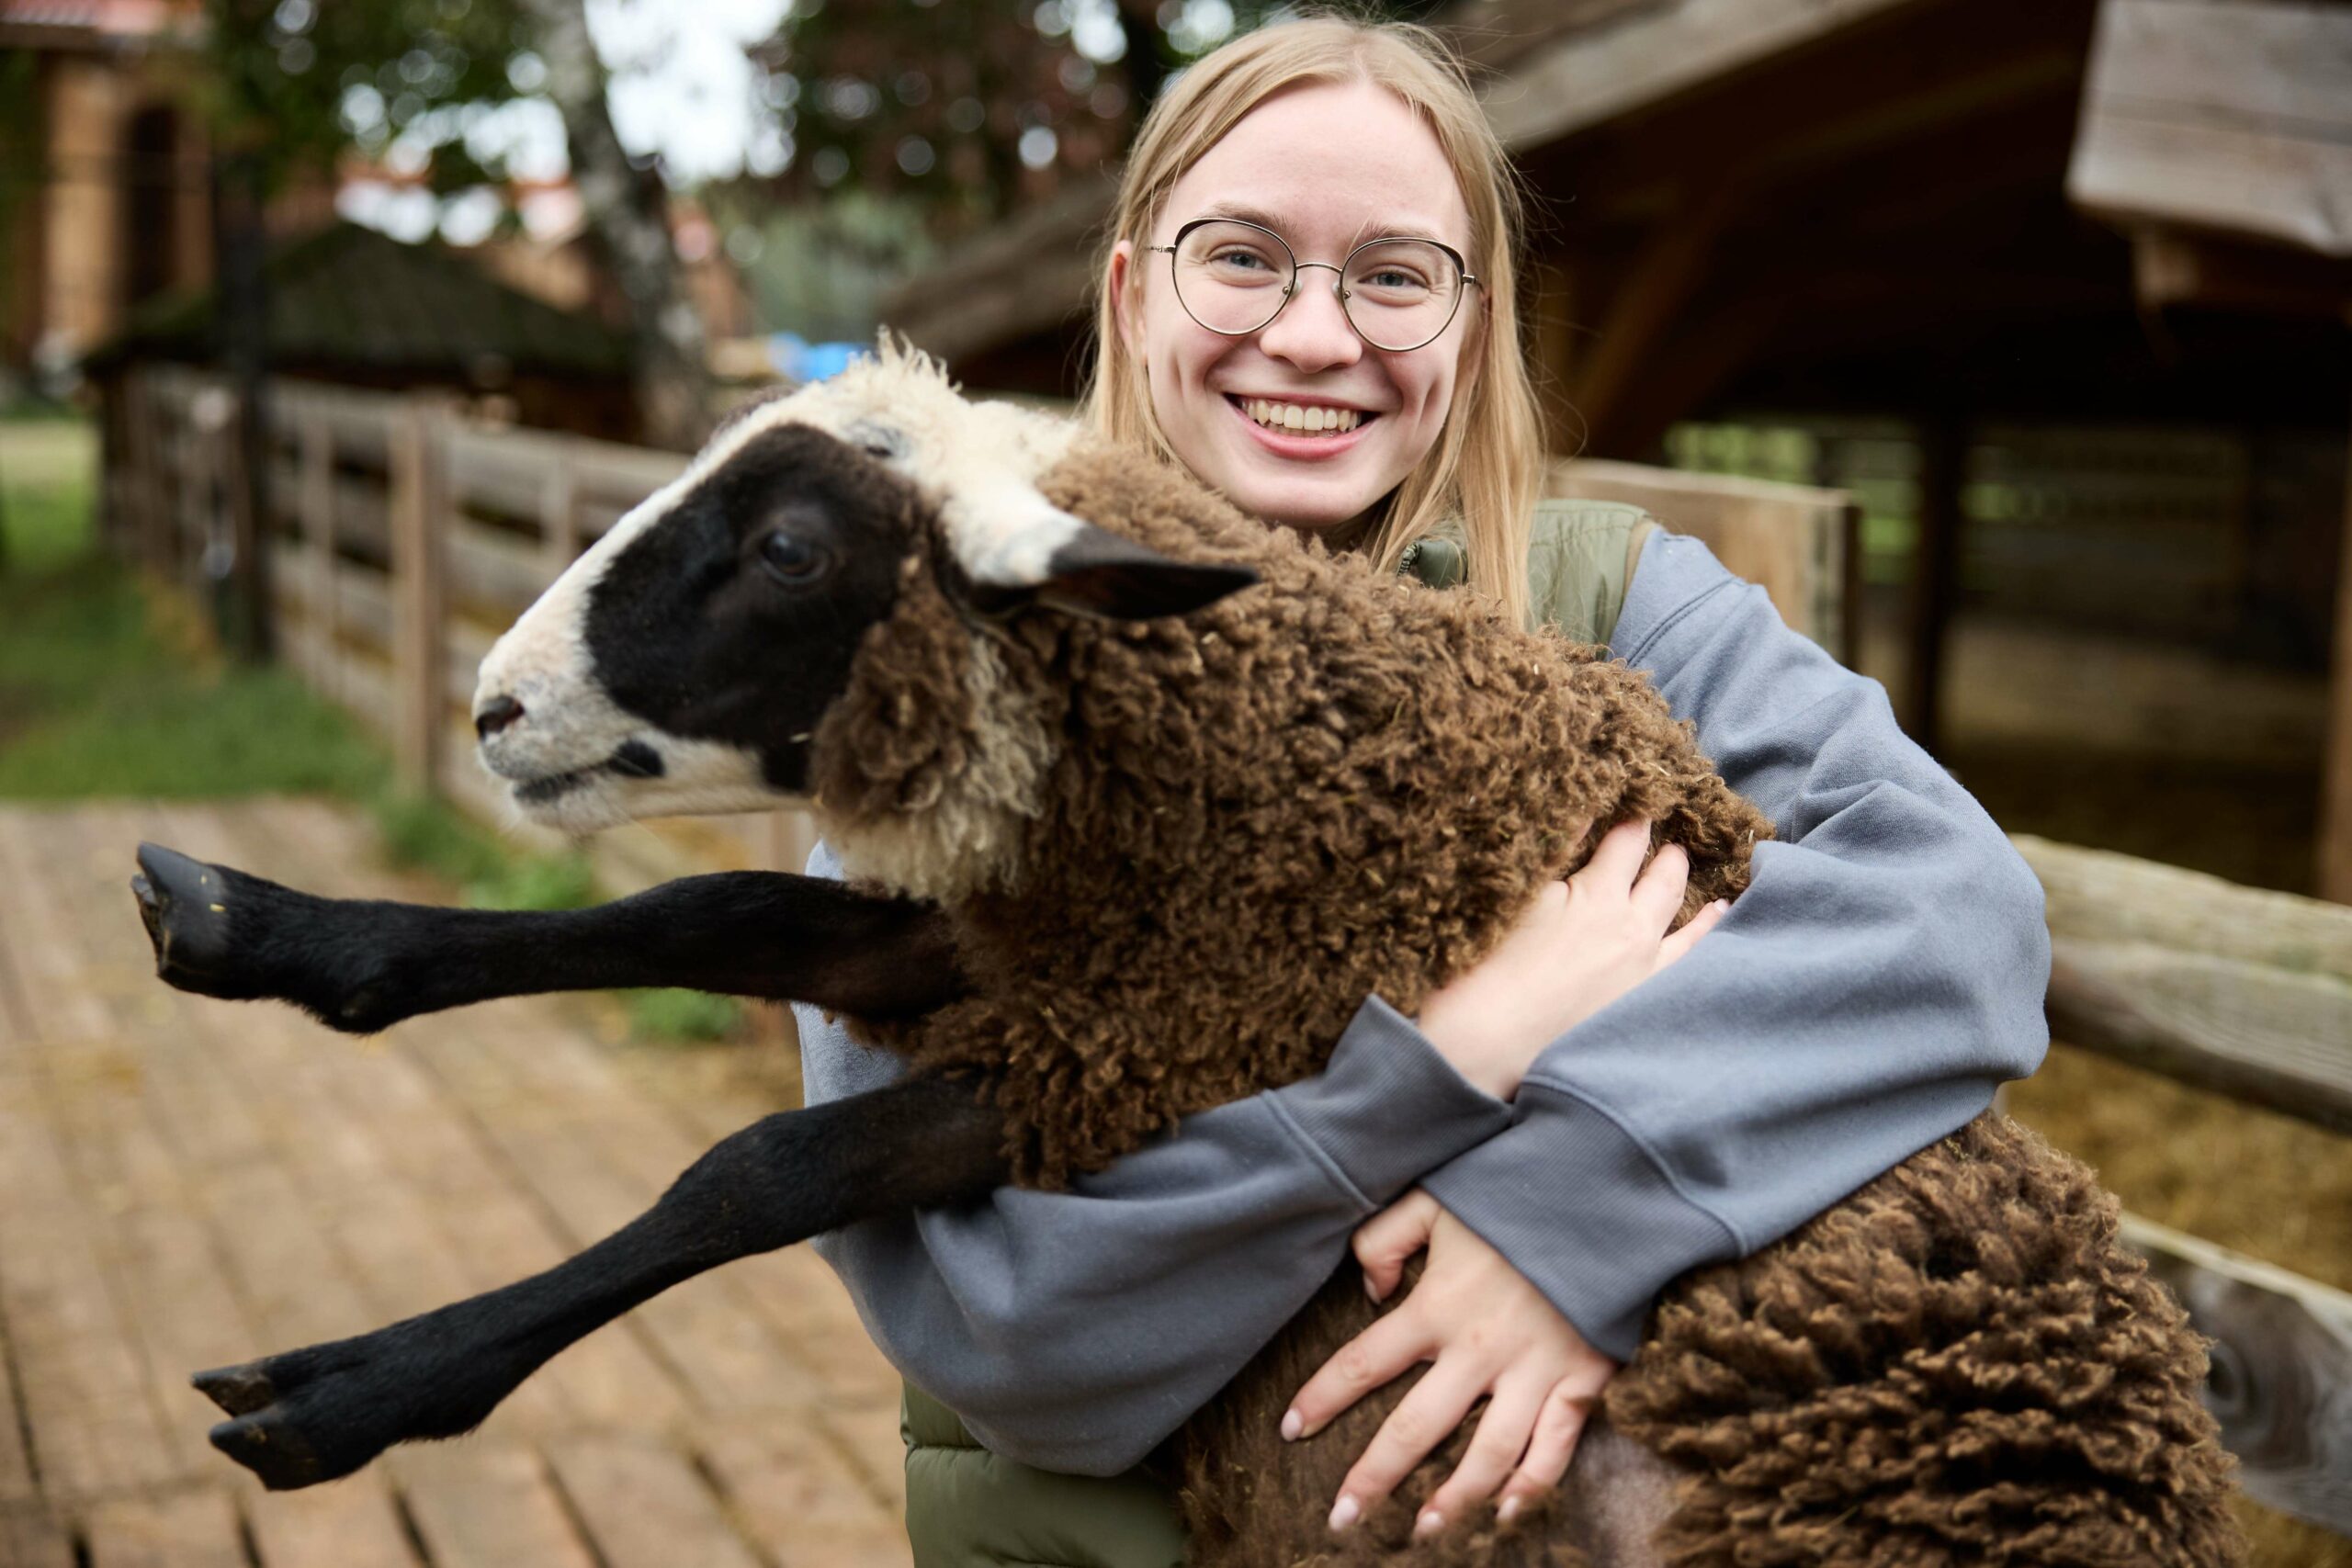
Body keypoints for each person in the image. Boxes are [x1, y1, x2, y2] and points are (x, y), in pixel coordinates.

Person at [794, 15, 2051, 1566]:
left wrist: (1572, 1215)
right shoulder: (951, 705)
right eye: (1242, 257)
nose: (1318, 336)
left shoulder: (1622, 609)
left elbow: (1956, 915)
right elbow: (1011, 1349)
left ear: (1471, 324)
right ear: (1131, 293)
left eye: (1393, 275)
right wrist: (1449, 1056)